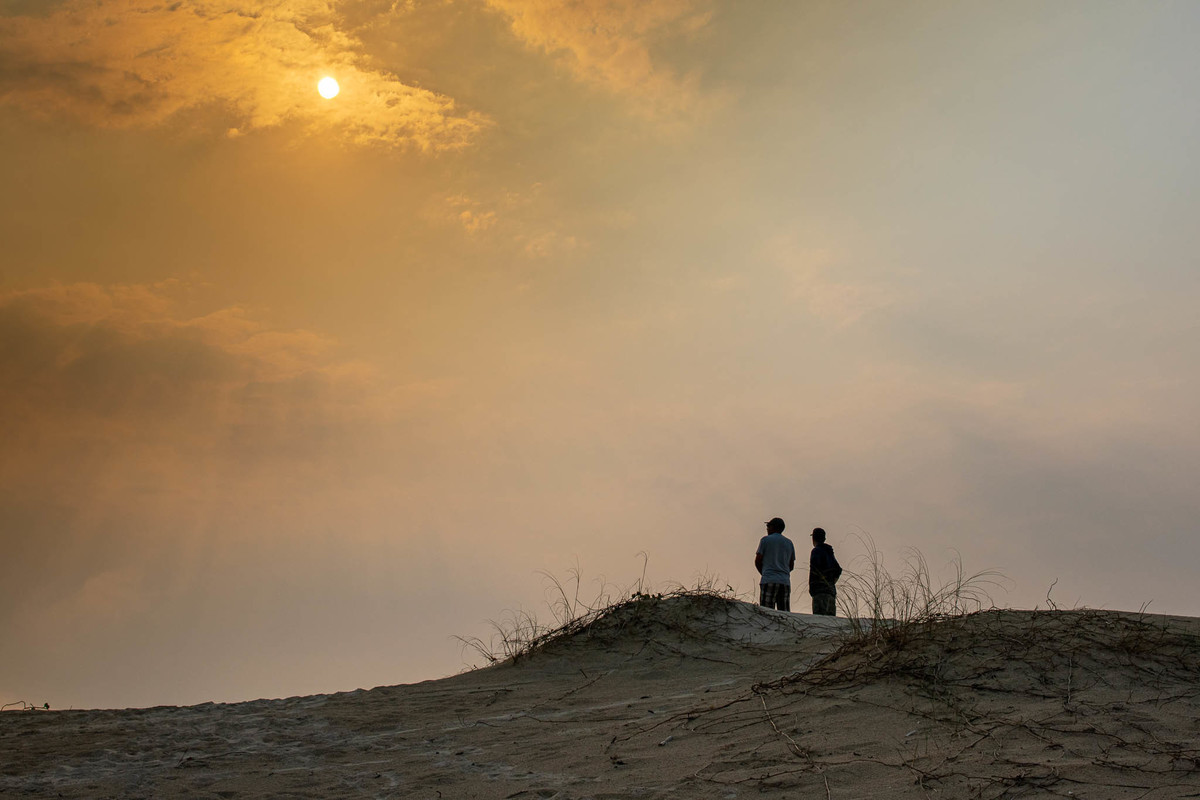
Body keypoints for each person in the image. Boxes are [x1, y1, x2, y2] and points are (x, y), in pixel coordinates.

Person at [755, 517, 795, 611]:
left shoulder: (765, 540)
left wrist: (765, 573)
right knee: (784, 614)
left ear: (773, 527)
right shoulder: (789, 543)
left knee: (766, 613)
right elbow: (791, 565)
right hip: (784, 581)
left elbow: (758, 561)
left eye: (768, 526)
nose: (767, 528)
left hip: (769, 579)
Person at [808, 527, 842, 616]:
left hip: (819, 591)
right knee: (830, 622)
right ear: (824, 538)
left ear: (813, 538)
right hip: (830, 592)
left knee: (820, 619)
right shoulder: (829, 552)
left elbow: (815, 569)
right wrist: (831, 582)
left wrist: (814, 586)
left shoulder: (816, 551)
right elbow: (838, 569)